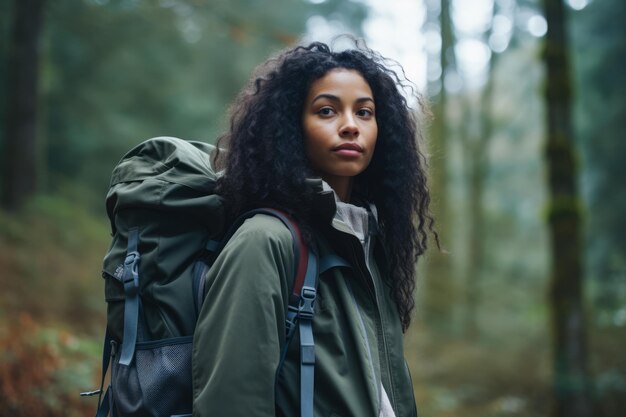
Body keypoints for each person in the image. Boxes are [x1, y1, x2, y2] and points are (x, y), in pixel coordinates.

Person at [191, 39, 436, 417]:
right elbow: (231, 403)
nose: (351, 126)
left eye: (365, 113)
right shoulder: (265, 241)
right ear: (291, 127)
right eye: (327, 111)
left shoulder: (367, 242)